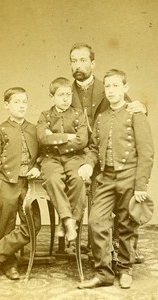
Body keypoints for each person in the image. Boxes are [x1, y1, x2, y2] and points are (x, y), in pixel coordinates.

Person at [70, 42, 146, 263]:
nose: (78, 65)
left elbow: (129, 110)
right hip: (81, 156)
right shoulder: (66, 90)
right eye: (74, 60)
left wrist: (143, 108)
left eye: (83, 60)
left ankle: (123, 251)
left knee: (122, 204)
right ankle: (95, 250)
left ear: (93, 63)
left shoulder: (109, 87)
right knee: (93, 206)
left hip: (105, 155)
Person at [78, 69, 154, 289]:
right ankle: (103, 272)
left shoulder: (135, 114)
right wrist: (87, 163)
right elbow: (93, 148)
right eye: (108, 87)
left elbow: (146, 151)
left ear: (125, 88)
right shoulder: (101, 118)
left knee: (127, 224)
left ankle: (125, 268)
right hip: (106, 177)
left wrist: (141, 184)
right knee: (96, 222)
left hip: (130, 177)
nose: (111, 91)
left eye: (115, 86)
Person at [0, 87, 41, 281]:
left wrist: (38, 167)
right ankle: (9, 265)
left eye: (24, 101)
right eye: (16, 101)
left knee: (33, 225)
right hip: (6, 183)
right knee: (6, 225)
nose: (21, 105)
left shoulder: (34, 129)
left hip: (29, 184)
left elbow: (44, 154)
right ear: (6, 105)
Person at [36, 77, 88, 242]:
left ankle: (66, 222)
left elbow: (82, 140)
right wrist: (68, 136)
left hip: (74, 157)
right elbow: (42, 138)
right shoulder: (45, 116)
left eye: (68, 94)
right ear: (52, 96)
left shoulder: (79, 115)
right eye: (61, 95)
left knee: (78, 179)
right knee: (52, 179)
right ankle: (68, 221)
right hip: (51, 159)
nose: (66, 98)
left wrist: (56, 139)